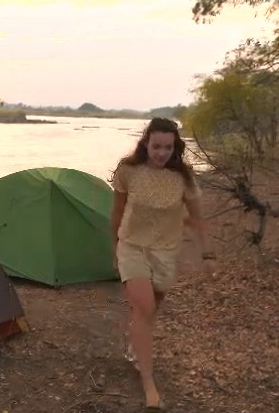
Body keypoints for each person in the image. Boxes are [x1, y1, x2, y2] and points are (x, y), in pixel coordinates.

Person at [109, 117, 208, 412]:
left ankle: (134, 346)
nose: (161, 153)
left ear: (175, 147)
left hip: (166, 252)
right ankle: (149, 385)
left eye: (167, 147)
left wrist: (208, 253)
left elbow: (196, 217)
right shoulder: (128, 171)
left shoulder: (184, 177)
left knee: (148, 314)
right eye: (156, 146)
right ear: (146, 143)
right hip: (133, 247)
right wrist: (115, 248)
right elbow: (117, 212)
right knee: (145, 310)